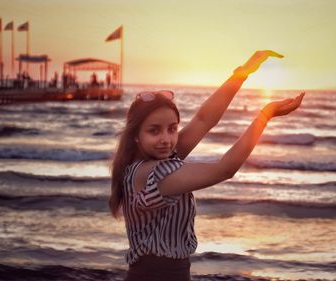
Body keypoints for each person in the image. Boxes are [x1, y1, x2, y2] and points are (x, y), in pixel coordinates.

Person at [110, 50, 305, 281]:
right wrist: (264, 116)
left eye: (172, 128)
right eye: (154, 130)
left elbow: (204, 119)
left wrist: (243, 72)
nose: (166, 138)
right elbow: (225, 168)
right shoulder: (156, 173)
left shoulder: (145, 160)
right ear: (136, 135)